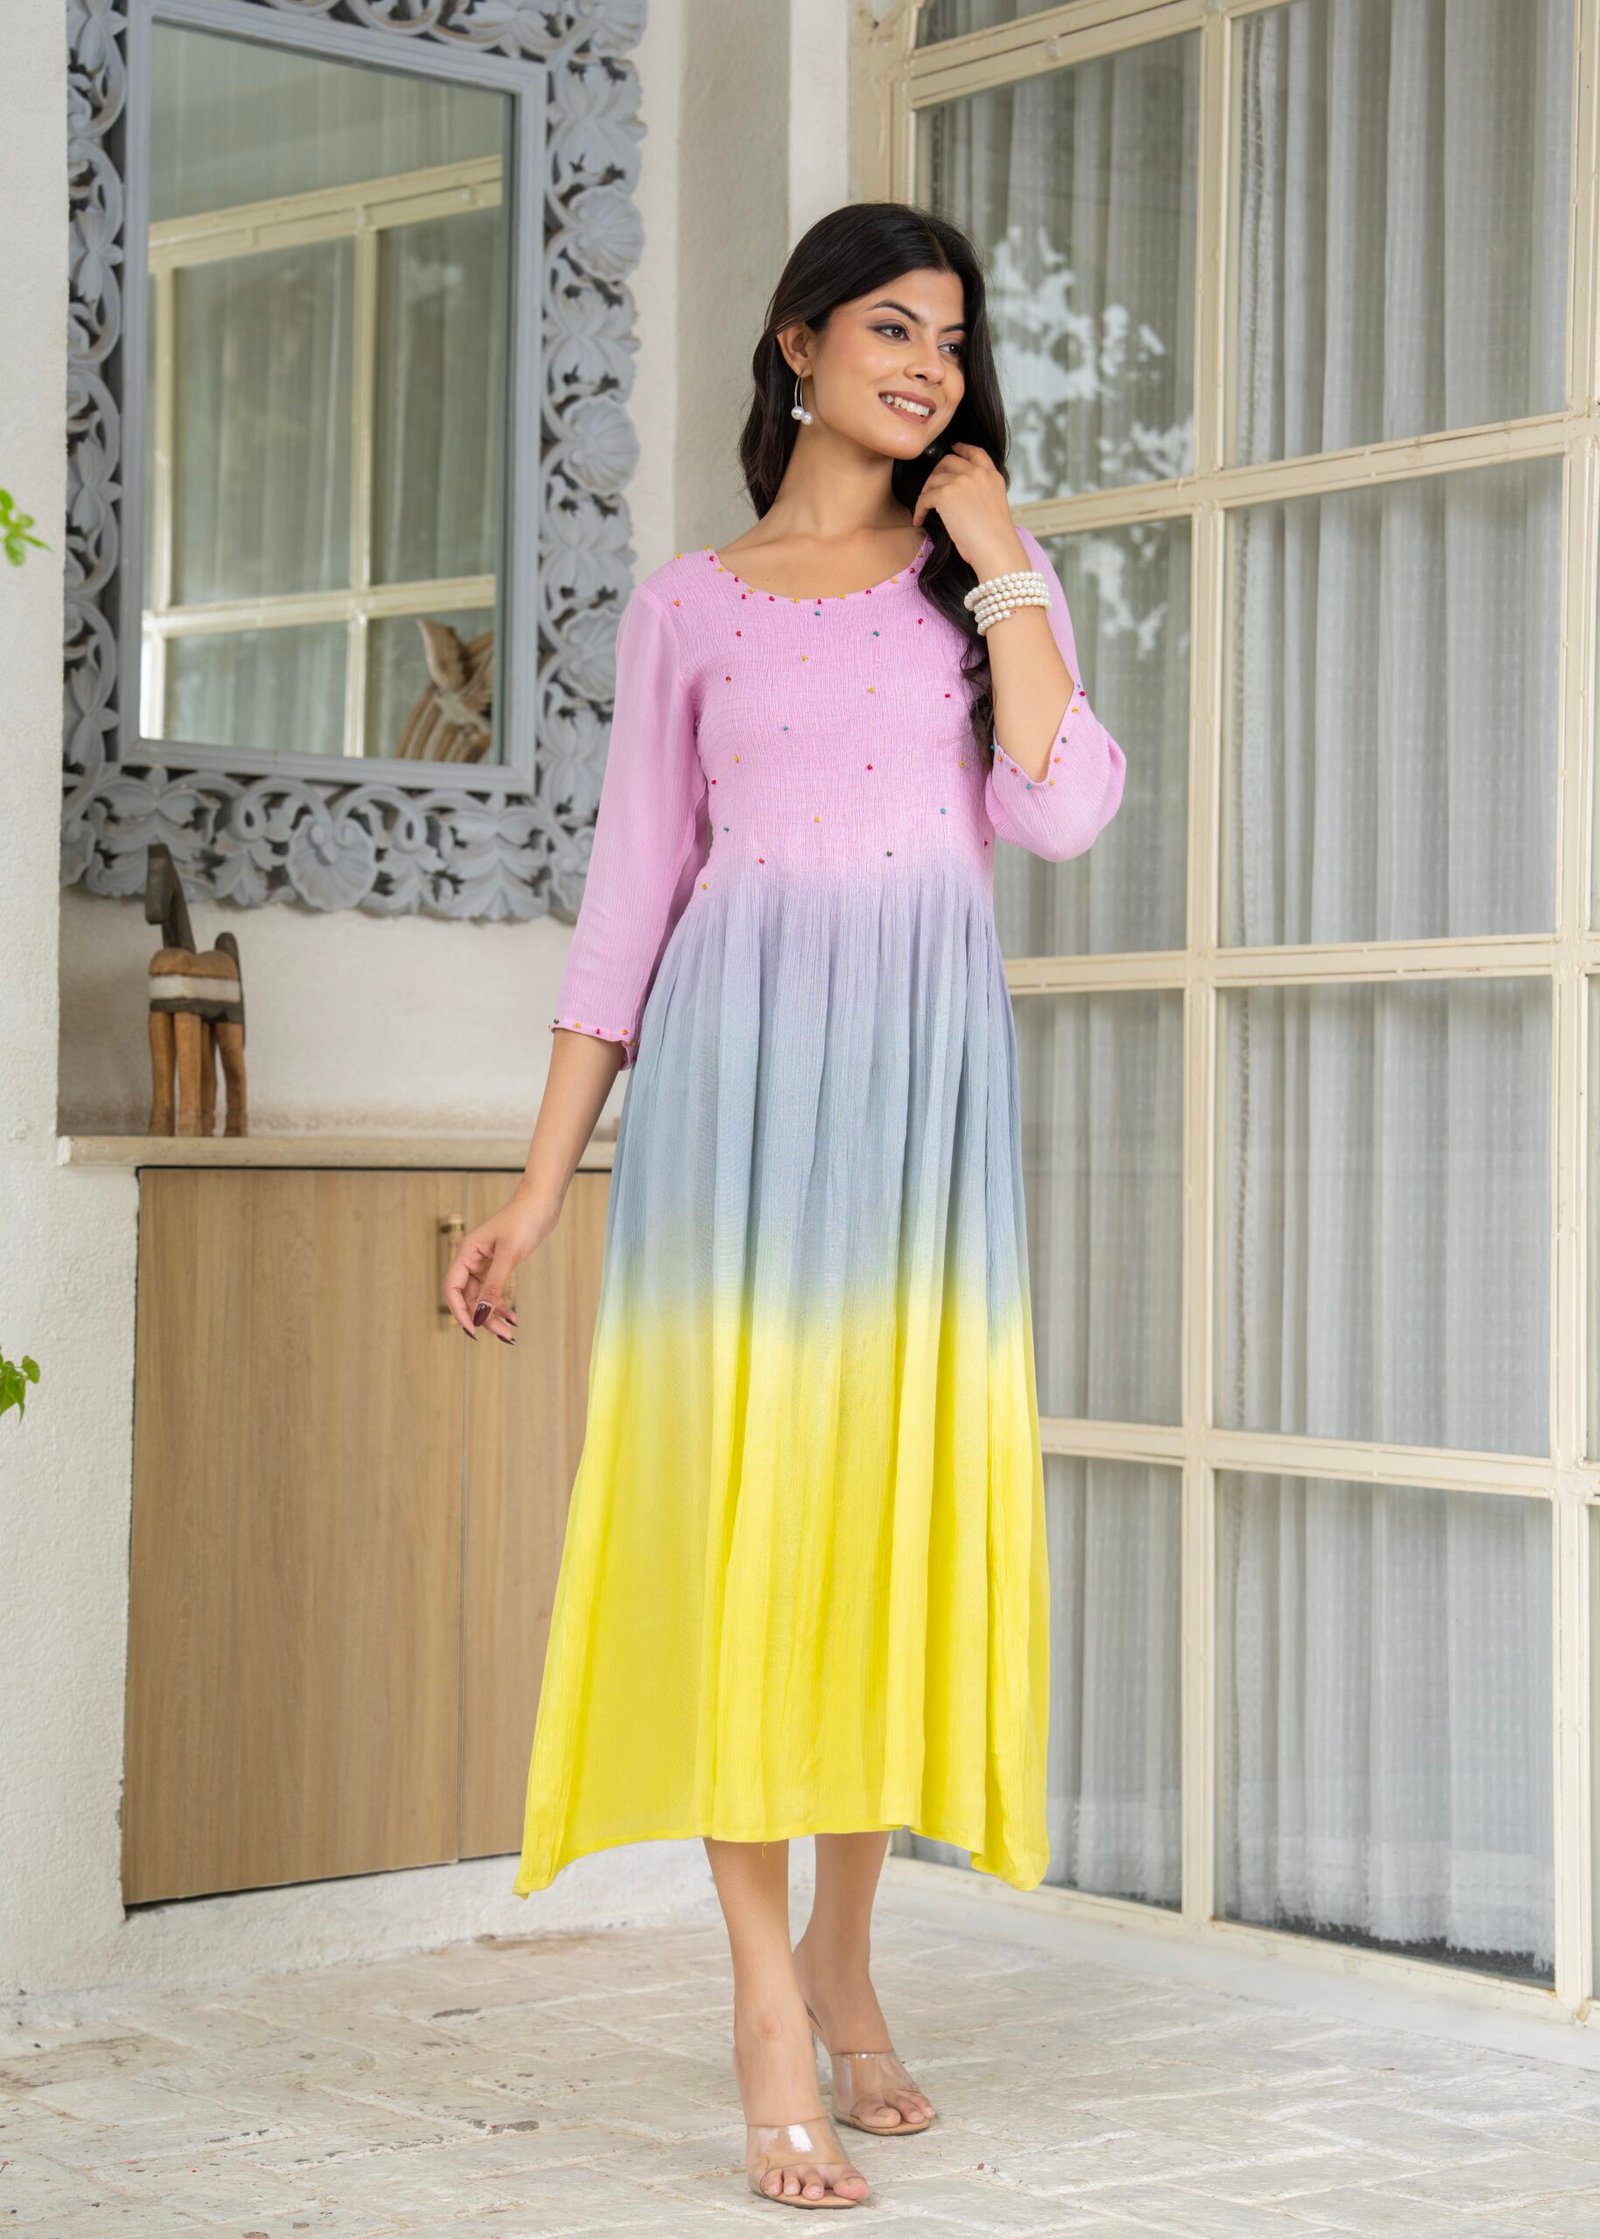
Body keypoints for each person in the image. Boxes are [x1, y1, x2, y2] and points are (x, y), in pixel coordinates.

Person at [443, 200, 1127, 2212]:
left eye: (952, 339)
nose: (928, 364)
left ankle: (847, 1951)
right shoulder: (689, 608)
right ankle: (766, 2002)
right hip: (732, 1107)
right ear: (797, 343)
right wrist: (536, 1192)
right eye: (891, 327)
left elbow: (1063, 807)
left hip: (913, 1108)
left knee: (877, 1520)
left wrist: (1004, 559)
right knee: (748, 1528)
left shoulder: (969, 589)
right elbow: (624, 909)